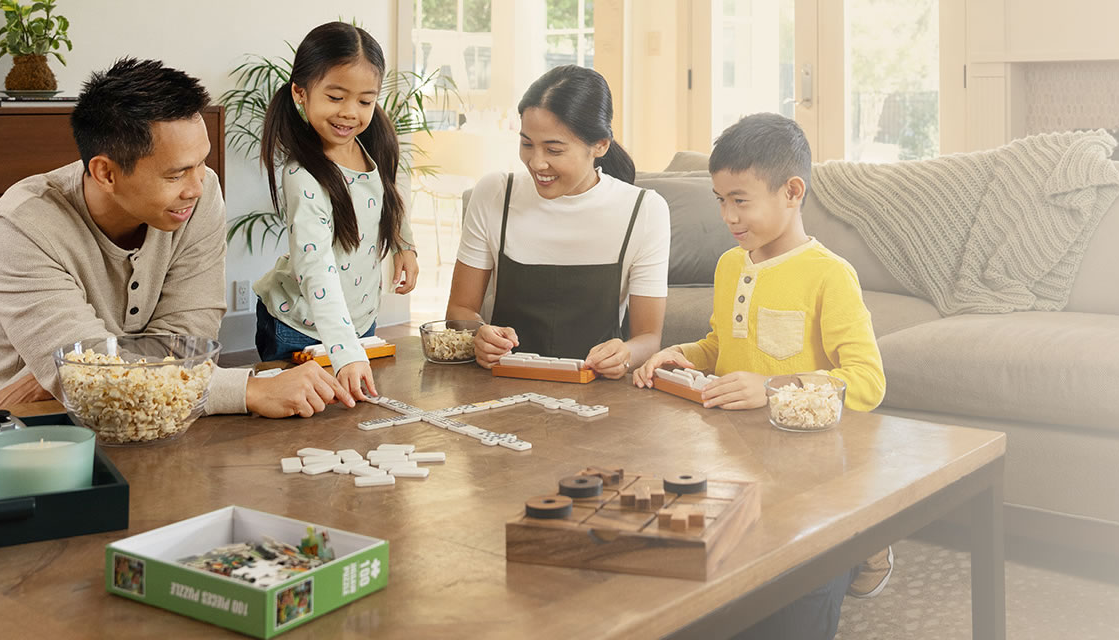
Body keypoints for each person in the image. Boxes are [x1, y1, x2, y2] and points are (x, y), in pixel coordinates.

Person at [0, 58, 350, 419]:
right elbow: (87, 378)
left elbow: (187, 343)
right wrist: (245, 390)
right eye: (175, 173)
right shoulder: (19, 227)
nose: (197, 186)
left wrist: (74, 377)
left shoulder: (200, 196)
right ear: (106, 173)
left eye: (201, 163)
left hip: (143, 413)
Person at [633, 113, 890, 636]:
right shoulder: (731, 266)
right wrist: (677, 352)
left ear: (792, 191)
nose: (727, 214)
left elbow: (866, 380)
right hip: (739, 462)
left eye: (740, 199)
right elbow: (719, 344)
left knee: (799, 601)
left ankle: (867, 540)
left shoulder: (829, 274)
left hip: (812, 475)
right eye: (719, 199)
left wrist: (772, 388)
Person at [447, 65, 668, 378]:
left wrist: (625, 354)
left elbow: (649, 338)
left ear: (600, 145)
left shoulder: (645, 211)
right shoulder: (495, 193)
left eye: (554, 149)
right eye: (526, 144)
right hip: (501, 387)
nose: (536, 163)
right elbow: (459, 311)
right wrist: (478, 336)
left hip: (599, 398)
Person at [251, 21, 419, 402]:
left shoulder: (374, 144)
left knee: (349, 425)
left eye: (365, 101)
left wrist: (404, 245)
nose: (350, 113)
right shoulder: (302, 176)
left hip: (357, 318)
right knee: (299, 424)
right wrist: (344, 350)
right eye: (335, 96)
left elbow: (388, 196)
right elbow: (316, 268)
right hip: (299, 325)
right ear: (300, 93)